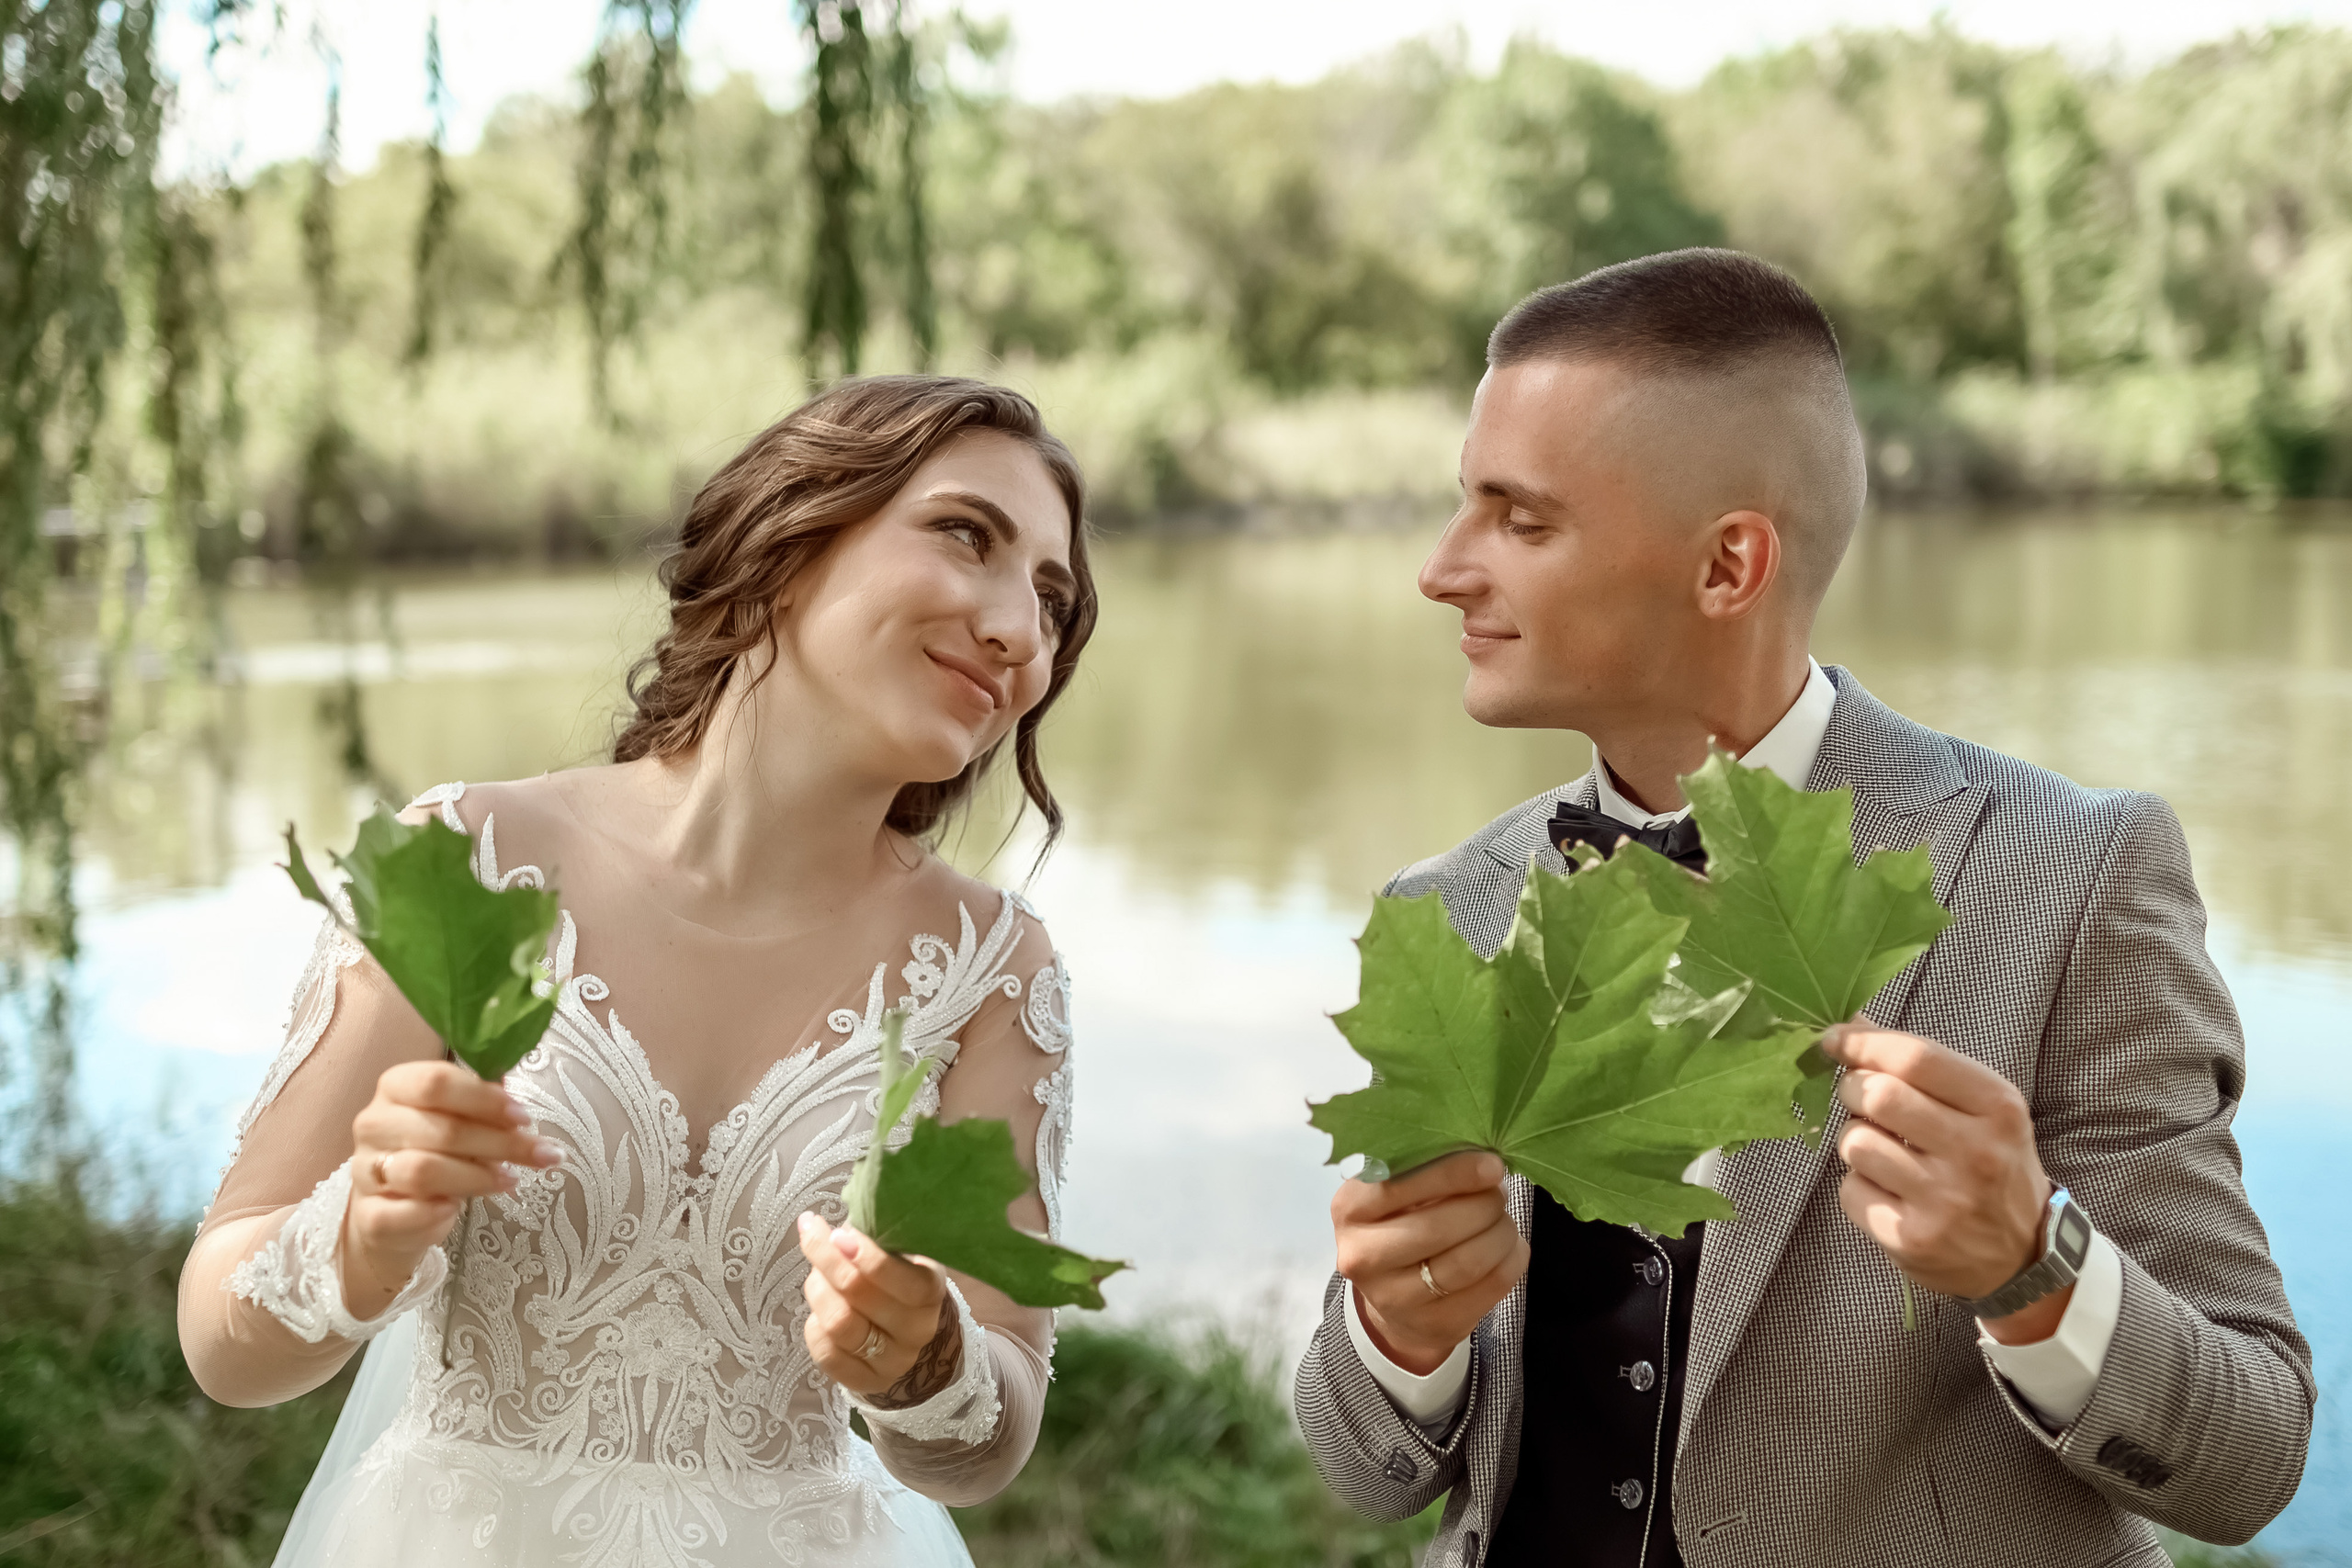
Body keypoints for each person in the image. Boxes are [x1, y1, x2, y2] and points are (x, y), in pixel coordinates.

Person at [1293, 250, 2312, 1567]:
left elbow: (2252, 1455)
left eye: (1521, 521)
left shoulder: (2070, 873)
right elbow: (1361, 1466)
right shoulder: (1447, 909)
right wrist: (1398, 1335)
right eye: (1461, 505)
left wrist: (2034, 1265)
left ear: (1730, 565)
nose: (1443, 570)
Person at [179, 377, 1096, 1568]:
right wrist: (357, 1233)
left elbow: (991, 1437)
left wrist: (933, 1366)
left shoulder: (991, 971)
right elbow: (219, 1342)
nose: (1019, 630)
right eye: (966, 535)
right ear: (788, 539)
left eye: (1052, 600)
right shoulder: (472, 861)